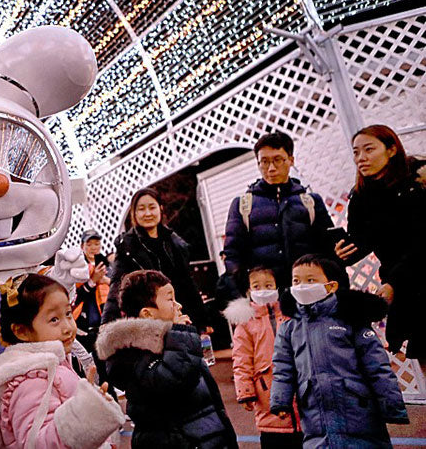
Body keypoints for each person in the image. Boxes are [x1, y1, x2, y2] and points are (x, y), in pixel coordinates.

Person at [0, 273, 125, 449]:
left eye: (68, 314)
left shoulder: (55, 363)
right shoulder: (31, 381)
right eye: (54, 319)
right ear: (22, 331)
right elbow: (38, 443)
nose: (68, 327)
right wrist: (84, 411)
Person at [271, 255, 408, 448]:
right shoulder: (289, 327)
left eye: (311, 280)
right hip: (315, 417)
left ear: (331, 286)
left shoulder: (351, 318)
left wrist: (391, 405)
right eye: (296, 281)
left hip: (359, 412)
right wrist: (280, 400)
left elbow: (377, 366)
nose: (302, 286)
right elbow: (283, 368)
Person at [96, 270, 238, 449]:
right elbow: (174, 380)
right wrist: (180, 334)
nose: (178, 305)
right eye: (170, 299)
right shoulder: (131, 352)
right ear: (147, 314)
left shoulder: (170, 341)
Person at [335, 124, 426, 373]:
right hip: (404, 287)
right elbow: (363, 239)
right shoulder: (361, 195)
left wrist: (393, 282)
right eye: (355, 152)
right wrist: (342, 253)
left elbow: (421, 243)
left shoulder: (418, 181)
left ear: (392, 149)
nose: (361, 158)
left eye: (369, 149)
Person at [223, 131, 337, 292]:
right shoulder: (242, 205)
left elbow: (328, 249)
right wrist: (242, 290)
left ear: (291, 160)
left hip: (307, 291)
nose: (271, 168)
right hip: (266, 295)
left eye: (277, 160)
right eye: (264, 162)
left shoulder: (310, 201)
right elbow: (232, 254)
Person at [101, 187, 208, 332]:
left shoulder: (175, 243)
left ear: (160, 208)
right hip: (149, 319)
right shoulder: (126, 246)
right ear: (134, 213)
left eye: (152, 207)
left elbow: (187, 284)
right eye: (141, 209)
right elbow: (116, 285)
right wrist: (108, 321)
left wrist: (203, 320)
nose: (148, 213)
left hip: (178, 314)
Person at [223, 266, 302, 448]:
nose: (263, 290)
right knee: (275, 434)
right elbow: (241, 360)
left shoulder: (291, 314)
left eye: (268, 285)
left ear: (277, 287)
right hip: (266, 391)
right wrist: (245, 391)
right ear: (249, 290)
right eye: (257, 286)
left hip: (298, 386)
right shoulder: (245, 322)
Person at [73, 229, 110, 350]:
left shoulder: (110, 266)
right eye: (89, 244)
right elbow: (74, 297)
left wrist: (107, 281)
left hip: (106, 321)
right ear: (82, 246)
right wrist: (92, 281)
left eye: (96, 244)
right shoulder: (77, 268)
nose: (93, 247)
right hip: (83, 325)